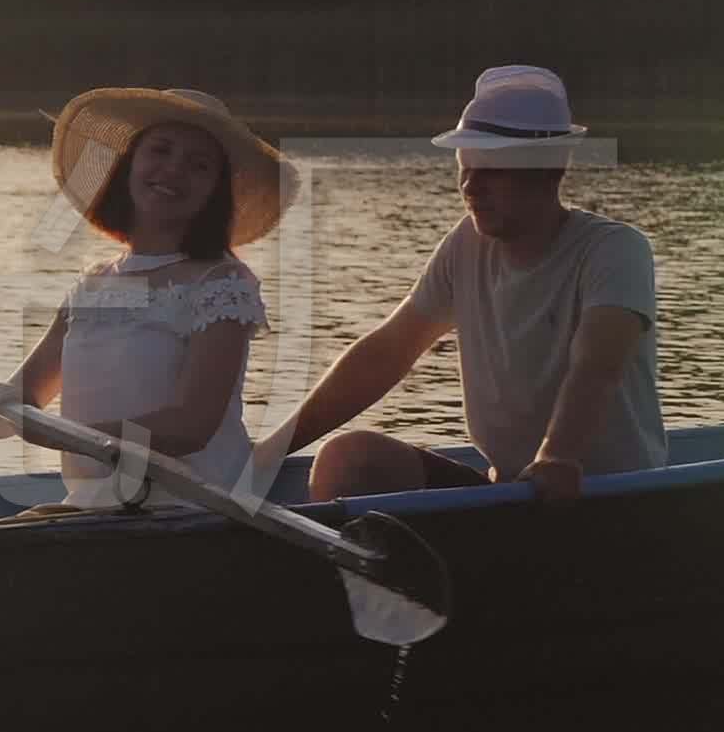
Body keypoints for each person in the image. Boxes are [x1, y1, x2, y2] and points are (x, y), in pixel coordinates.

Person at [263, 65, 661, 504]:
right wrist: (266, 454)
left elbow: (596, 365)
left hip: (602, 495)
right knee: (347, 457)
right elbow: (388, 351)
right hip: (510, 492)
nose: (471, 187)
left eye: (491, 171)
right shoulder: (465, 244)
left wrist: (557, 457)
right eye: (465, 169)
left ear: (549, 171)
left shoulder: (615, 249)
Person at [0, 87, 290, 509]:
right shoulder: (93, 286)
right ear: (129, 164)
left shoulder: (222, 283)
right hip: (98, 506)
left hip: (193, 507)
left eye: (198, 165)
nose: (173, 170)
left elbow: (191, 426)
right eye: (160, 151)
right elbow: (17, 405)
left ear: (214, 191)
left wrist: (68, 434)